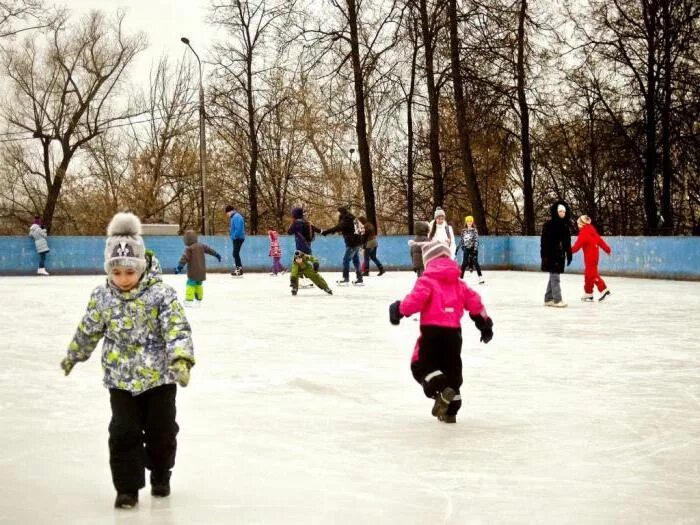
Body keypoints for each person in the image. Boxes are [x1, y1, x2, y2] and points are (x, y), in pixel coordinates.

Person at [60, 212, 195, 509]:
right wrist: (74, 354)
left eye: (130, 272)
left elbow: (177, 328)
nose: (123, 279)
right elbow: (89, 328)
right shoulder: (102, 297)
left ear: (141, 268)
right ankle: (127, 488)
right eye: (116, 272)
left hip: (159, 379)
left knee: (162, 431)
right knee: (122, 433)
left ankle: (161, 472)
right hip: (120, 381)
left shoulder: (161, 295)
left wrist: (181, 358)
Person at [388, 239, 493, 423]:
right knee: (452, 369)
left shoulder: (427, 281)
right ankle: (451, 410)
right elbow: (475, 302)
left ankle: (440, 388)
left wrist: (398, 309)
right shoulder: (459, 283)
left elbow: (414, 301)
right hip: (454, 335)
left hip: (432, 333)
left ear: (428, 261)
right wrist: (484, 323)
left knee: (420, 365)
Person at [174, 230, 221, 306]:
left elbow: (184, 258)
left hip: (193, 271)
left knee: (190, 283)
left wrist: (179, 267)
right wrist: (216, 255)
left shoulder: (189, 249)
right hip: (201, 271)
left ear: (187, 240)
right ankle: (199, 299)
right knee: (199, 284)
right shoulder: (201, 246)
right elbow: (209, 250)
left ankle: (189, 300)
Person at [572, 215, 612, 302]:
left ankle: (604, 289)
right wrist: (608, 250)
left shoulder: (583, 233)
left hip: (590, 257)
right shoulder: (592, 231)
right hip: (595, 256)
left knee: (592, 275)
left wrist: (568, 251)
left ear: (582, 224)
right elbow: (601, 241)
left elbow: (577, 246)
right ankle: (588, 293)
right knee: (588, 275)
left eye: (578, 224)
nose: (578, 226)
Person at [321, 206, 364, 286]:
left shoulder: (347, 219)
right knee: (356, 260)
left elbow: (339, 227)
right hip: (357, 242)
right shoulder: (353, 218)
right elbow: (361, 229)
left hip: (352, 243)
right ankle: (360, 279)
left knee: (346, 260)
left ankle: (346, 279)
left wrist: (327, 232)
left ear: (341, 213)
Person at [540, 202, 573, 307]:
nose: (562, 213)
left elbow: (567, 242)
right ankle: (557, 300)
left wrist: (569, 253)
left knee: (553, 276)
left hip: (560, 256)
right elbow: (544, 242)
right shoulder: (549, 225)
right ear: (556, 212)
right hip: (551, 255)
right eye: (560, 211)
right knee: (555, 277)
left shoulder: (565, 226)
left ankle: (548, 298)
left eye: (564, 211)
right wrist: (544, 255)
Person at [457, 215, 484, 284]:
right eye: (468, 221)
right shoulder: (463, 231)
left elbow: (476, 240)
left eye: (470, 221)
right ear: (466, 222)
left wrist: (475, 249)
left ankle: (480, 278)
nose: (469, 222)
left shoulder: (474, 230)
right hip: (466, 248)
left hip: (473, 248)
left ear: (472, 222)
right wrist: (463, 247)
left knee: (475, 262)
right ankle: (461, 278)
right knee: (464, 263)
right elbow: (462, 240)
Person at [225, 205, 245, 276]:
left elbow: (238, 229)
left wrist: (234, 236)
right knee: (235, 254)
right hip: (237, 237)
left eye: (227, 213)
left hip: (238, 238)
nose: (227, 215)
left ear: (230, 211)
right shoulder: (234, 217)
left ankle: (239, 270)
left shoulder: (236, 217)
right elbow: (235, 228)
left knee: (235, 254)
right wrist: (231, 231)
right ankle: (239, 269)